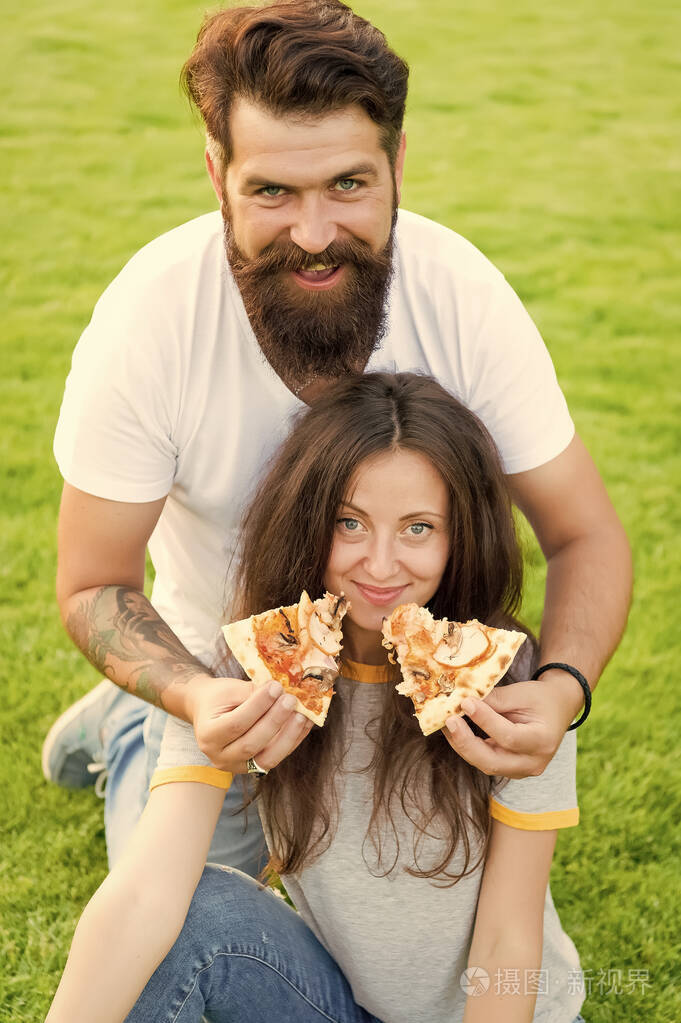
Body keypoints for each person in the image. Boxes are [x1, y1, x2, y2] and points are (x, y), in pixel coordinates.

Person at [44, 0, 631, 877]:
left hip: (416, 686)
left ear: (397, 163)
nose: (313, 236)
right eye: (272, 191)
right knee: (183, 914)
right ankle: (132, 715)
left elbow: (584, 534)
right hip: (228, 676)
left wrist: (561, 689)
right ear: (216, 175)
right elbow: (94, 581)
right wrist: (193, 690)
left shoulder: (461, 295)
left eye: (348, 186)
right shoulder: (149, 318)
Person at [46, 373, 587, 1023]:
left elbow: (507, 942)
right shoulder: (249, 668)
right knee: (197, 908)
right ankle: (129, 721)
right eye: (349, 522)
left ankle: (121, 719)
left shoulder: (514, 689)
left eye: (418, 528)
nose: (380, 565)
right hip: (339, 1007)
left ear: (459, 535)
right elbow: (143, 894)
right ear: (308, 520)